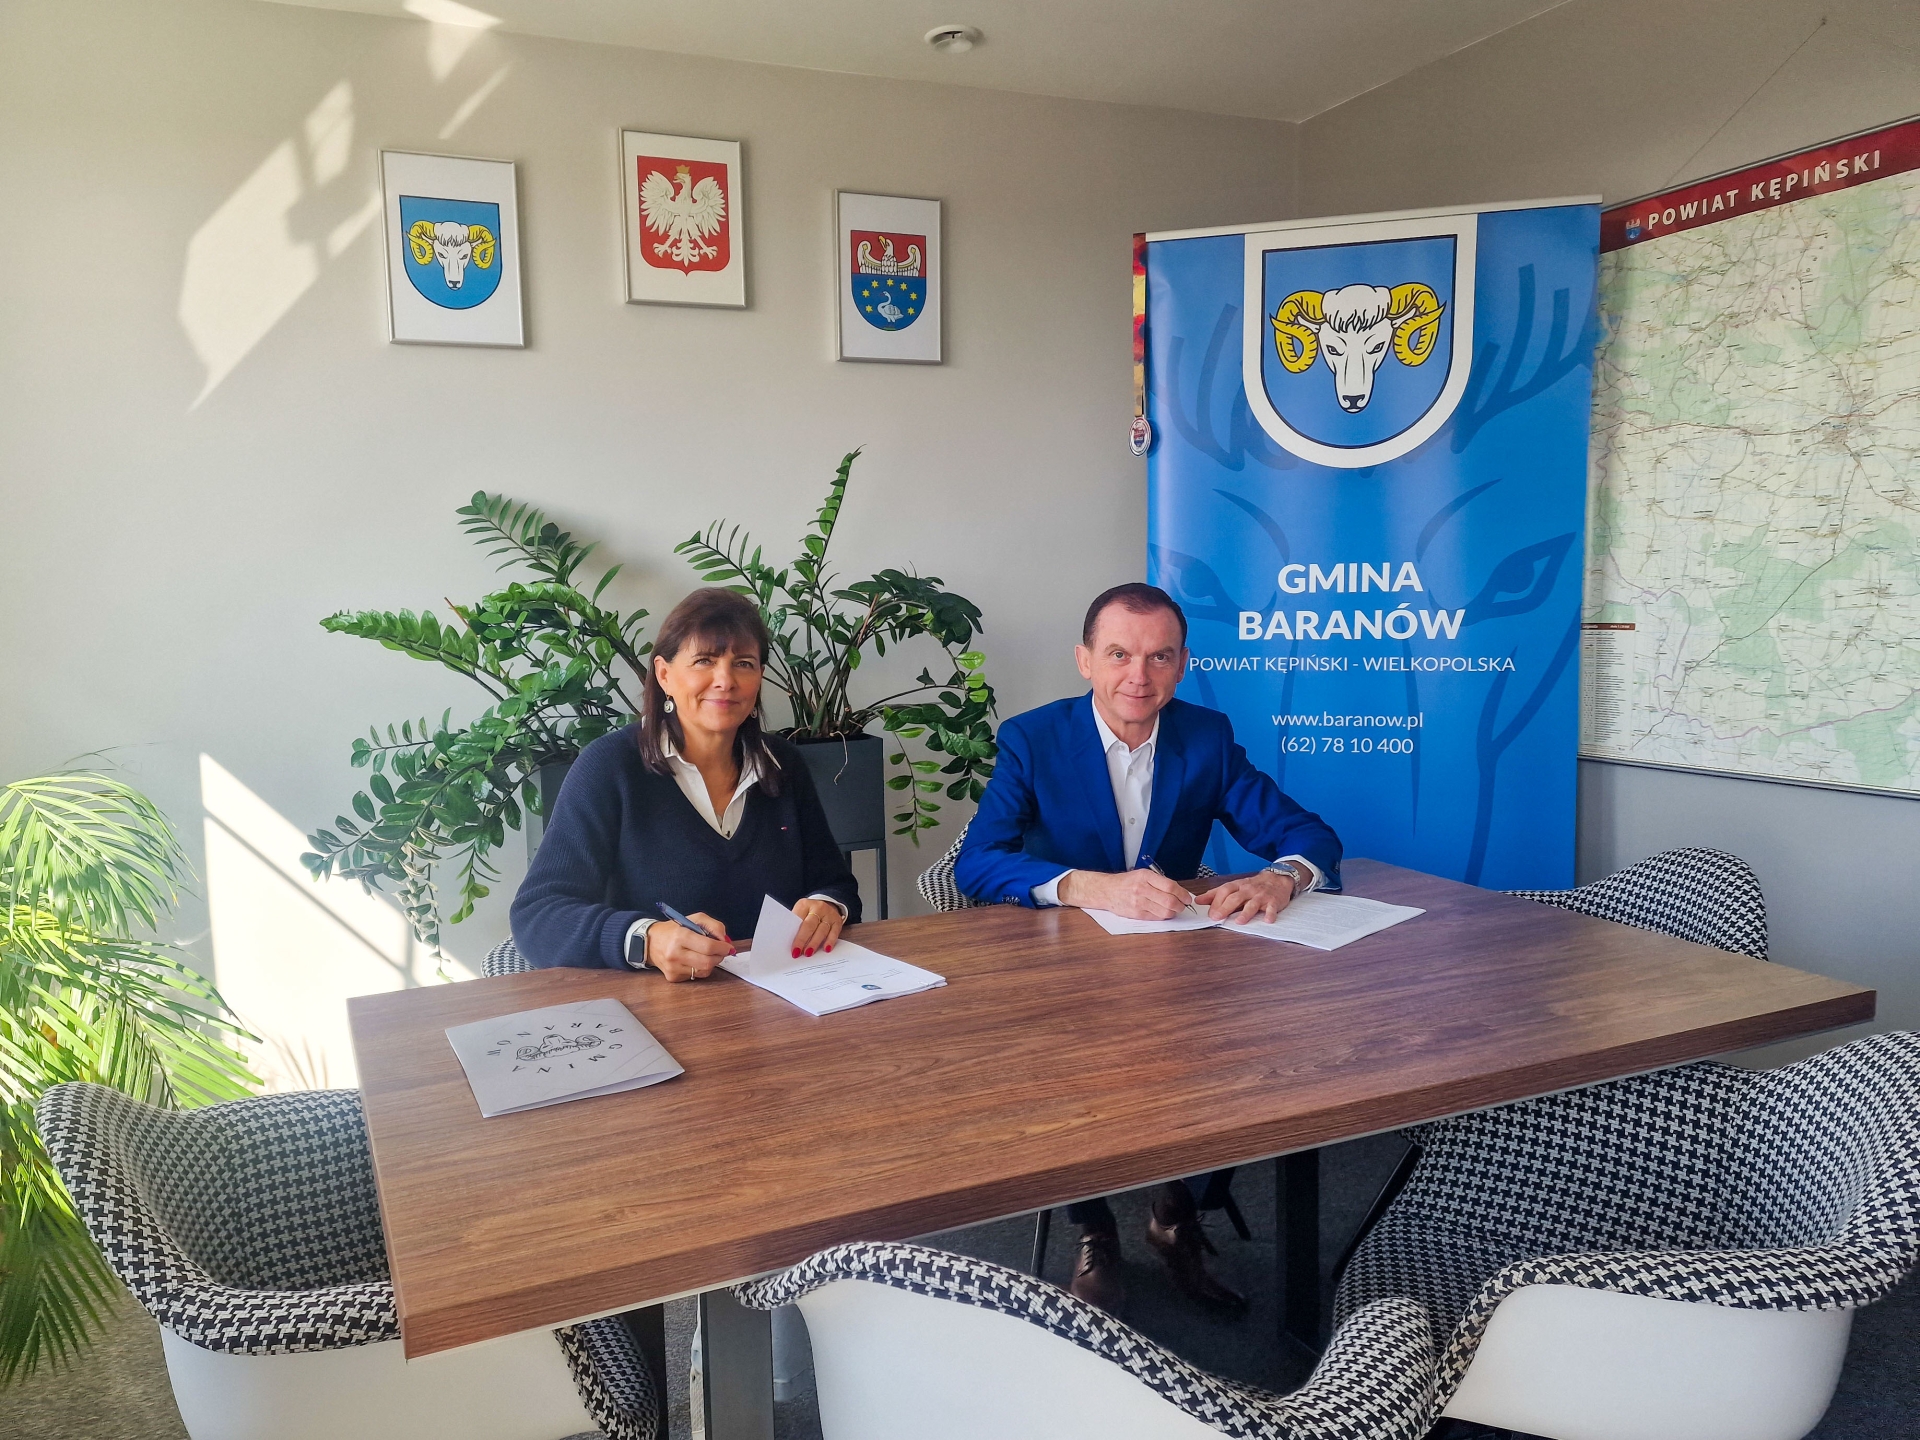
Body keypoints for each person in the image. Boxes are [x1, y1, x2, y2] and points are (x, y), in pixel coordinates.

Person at [954, 582, 1342, 1315]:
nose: (1139, 675)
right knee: (1070, 1068)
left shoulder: (1206, 737)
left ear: (1182, 664)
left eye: (1160, 657)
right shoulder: (1033, 739)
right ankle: (1095, 1227)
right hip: (1060, 969)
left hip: (1173, 968)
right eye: (1119, 655)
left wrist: (1283, 877)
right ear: (1084, 660)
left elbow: (1309, 835)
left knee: (1232, 1052)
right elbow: (976, 863)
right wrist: (1091, 887)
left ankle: (1173, 1214)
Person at [512, 588, 860, 976]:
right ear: (664, 675)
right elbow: (537, 915)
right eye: (704, 661)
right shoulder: (610, 767)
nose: (725, 680)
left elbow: (835, 884)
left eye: (743, 664)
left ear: (759, 676)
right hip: (659, 1003)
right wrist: (647, 940)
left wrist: (827, 905)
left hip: (785, 994)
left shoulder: (782, 763)